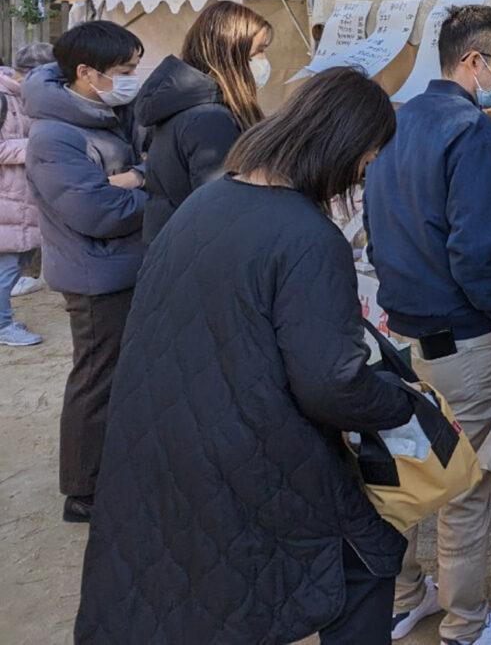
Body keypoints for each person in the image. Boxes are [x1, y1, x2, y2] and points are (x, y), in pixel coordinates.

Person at [74, 67, 420, 645]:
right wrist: (401, 400)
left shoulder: (207, 201)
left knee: (197, 593)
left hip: (162, 436)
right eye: (369, 156)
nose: (364, 173)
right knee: (367, 560)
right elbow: (330, 383)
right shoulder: (309, 237)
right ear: (344, 146)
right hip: (247, 447)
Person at [364, 3, 491, 645]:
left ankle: (408, 595)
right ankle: (466, 626)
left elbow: (377, 234)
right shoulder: (476, 132)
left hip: (400, 332)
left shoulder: (393, 123)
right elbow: (477, 248)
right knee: (464, 489)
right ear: (473, 60)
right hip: (460, 336)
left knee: (406, 472)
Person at [23, 21, 146, 523]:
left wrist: (130, 180)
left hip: (122, 267)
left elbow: (123, 188)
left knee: (118, 377)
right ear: (85, 73)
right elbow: (97, 212)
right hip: (95, 276)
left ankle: (111, 473)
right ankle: (84, 492)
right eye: (125, 71)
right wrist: (146, 181)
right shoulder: (55, 135)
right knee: (97, 379)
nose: (132, 78)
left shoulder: (105, 114)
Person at [134, 0, 274, 244]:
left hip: (176, 250)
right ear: (231, 55)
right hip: (196, 257)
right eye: (258, 51)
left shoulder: (187, 106)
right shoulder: (209, 119)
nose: (264, 60)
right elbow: (224, 211)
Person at [0, 44, 49, 346]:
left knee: (12, 266)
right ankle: (3, 326)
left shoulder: (24, 97)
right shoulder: (4, 98)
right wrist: (39, 144)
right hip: (6, 200)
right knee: (6, 269)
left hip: (21, 199)